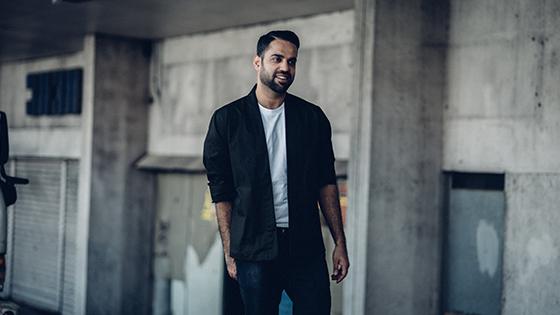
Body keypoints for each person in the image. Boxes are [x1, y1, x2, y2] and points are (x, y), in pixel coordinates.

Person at [203, 30, 349, 315]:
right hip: (253, 248)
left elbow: (326, 182)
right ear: (257, 63)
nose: (285, 67)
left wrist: (340, 243)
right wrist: (229, 250)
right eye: (277, 58)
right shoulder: (227, 120)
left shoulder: (312, 118)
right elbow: (221, 191)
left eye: (292, 61)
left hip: (304, 245)